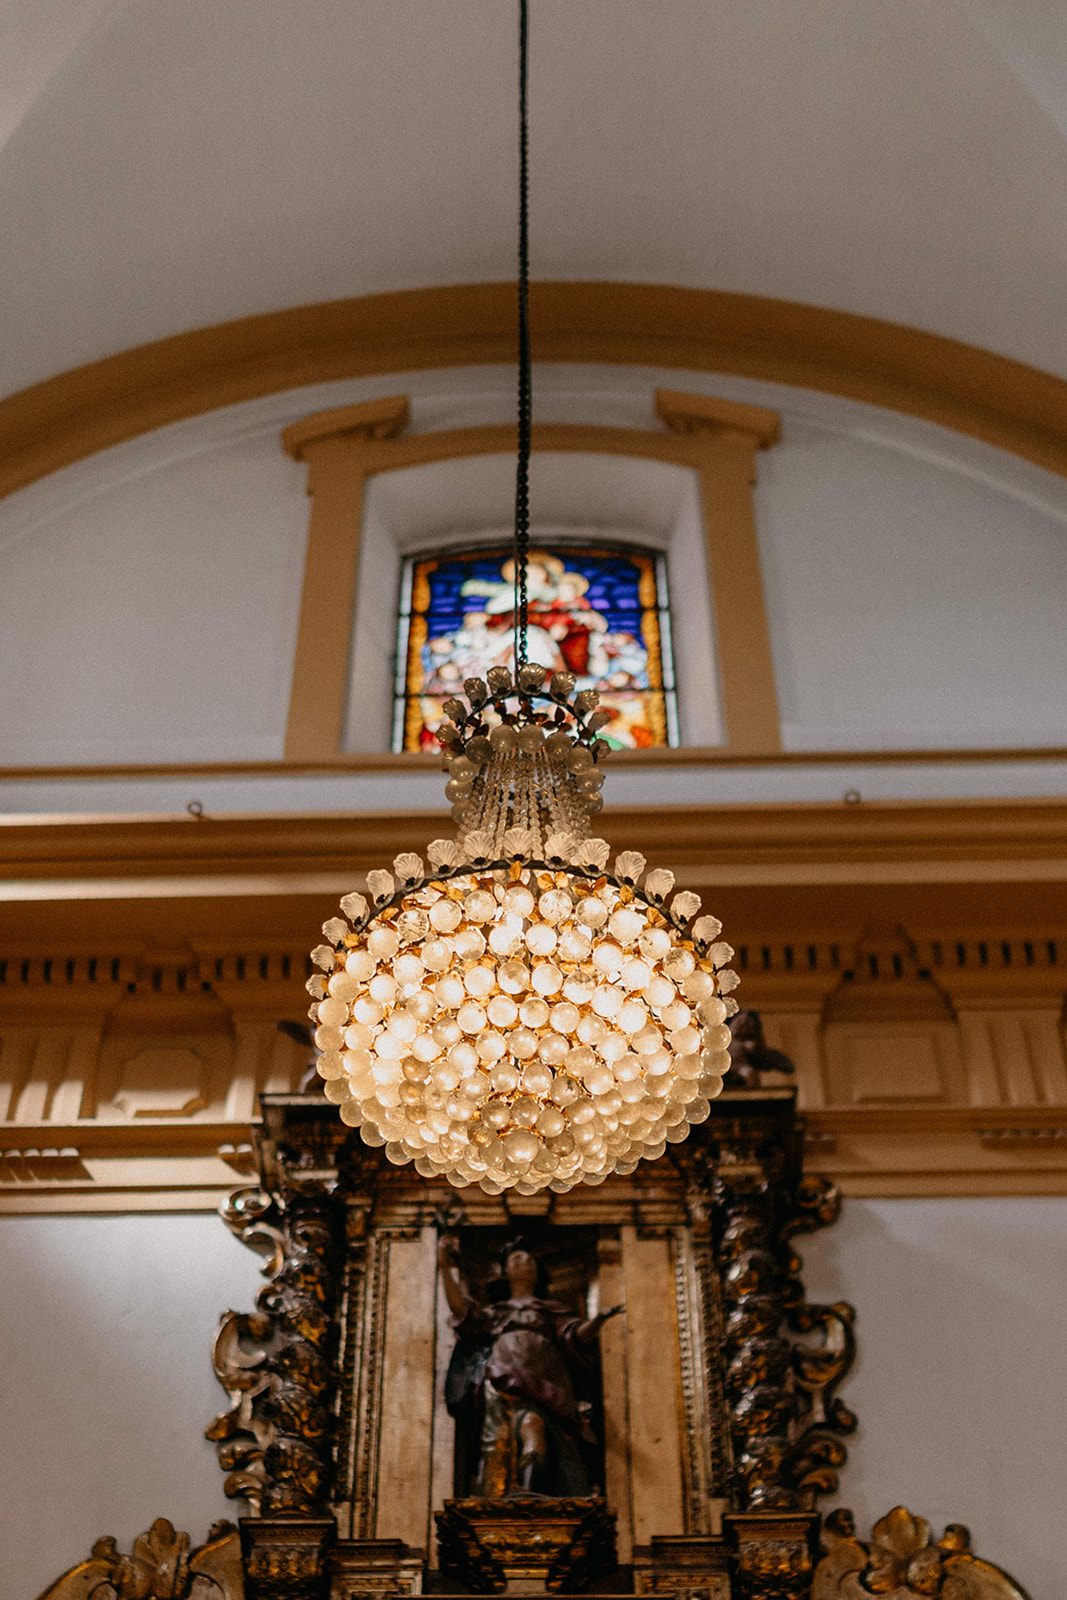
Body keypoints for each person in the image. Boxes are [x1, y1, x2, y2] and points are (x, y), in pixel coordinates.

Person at [437, 1235, 622, 1498]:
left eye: (530, 1259)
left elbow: (575, 1338)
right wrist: (443, 1267)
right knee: (514, 1438)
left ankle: (531, 1494)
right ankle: (519, 1494)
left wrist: (598, 1320)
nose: (525, 1262)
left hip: (549, 1388)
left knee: (548, 1440)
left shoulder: (551, 1311)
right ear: (505, 1271)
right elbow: (463, 1312)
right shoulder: (498, 1312)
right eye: (517, 1259)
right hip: (504, 1386)